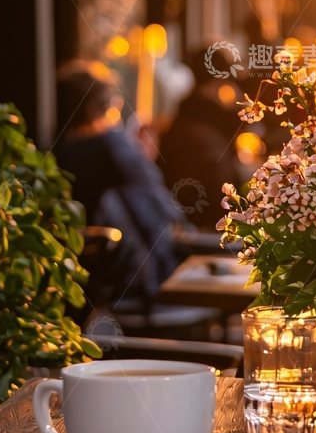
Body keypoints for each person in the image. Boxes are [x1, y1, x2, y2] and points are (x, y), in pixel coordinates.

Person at [54, 61, 184, 310]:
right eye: (112, 105)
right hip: (135, 287)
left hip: (90, 288)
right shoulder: (109, 147)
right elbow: (164, 209)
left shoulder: (58, 153)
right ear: (95, 109)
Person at [159, 47, 243, 230]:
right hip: (206, 232)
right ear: (221, 83)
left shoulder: (182, 122)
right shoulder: (208, 134)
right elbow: (216, 195)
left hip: (185, 226)